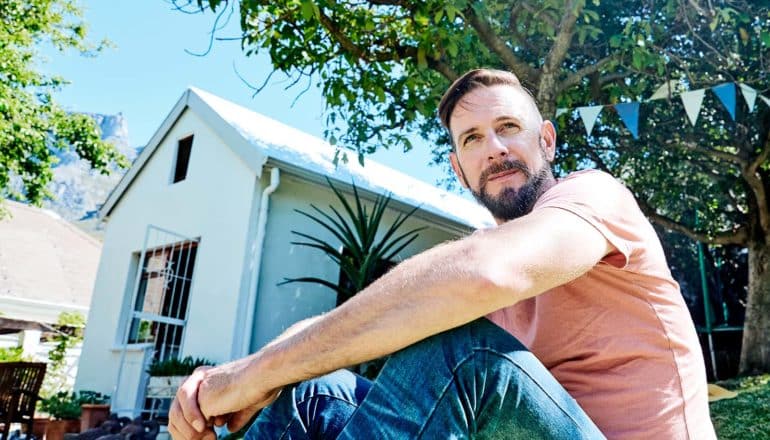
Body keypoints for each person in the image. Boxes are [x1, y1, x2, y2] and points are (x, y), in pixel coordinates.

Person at [168, 69, 716, 439]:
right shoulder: (473, 261)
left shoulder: (593, 196)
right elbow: (354, 323)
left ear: (546, 141)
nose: (495, 149)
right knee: (317, 389)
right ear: (458, 168)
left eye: (508, 128)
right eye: (472, 139)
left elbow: (485, 273)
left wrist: (249, 379)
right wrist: (249, 376)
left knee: (467, 354)